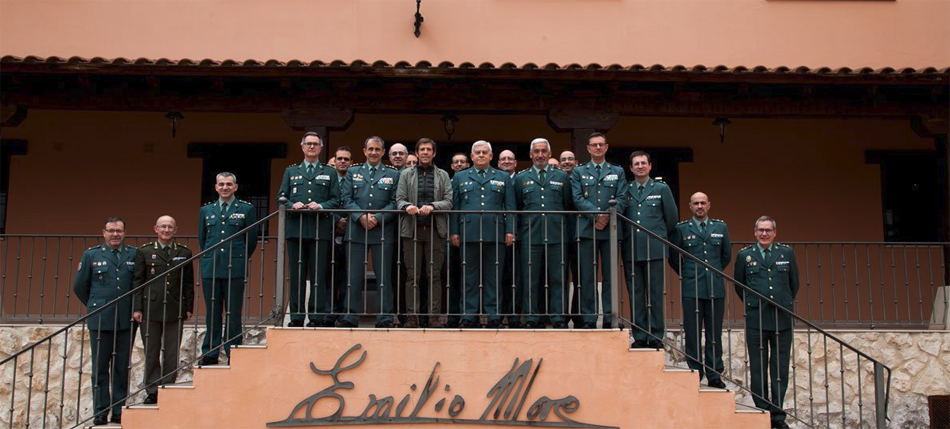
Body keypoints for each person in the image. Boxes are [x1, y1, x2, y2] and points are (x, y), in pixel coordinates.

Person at [734, 216, 799, 429]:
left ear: (775, 232)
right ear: (754, 232)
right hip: (756, 318)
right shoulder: (745, 255)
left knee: (779, 368)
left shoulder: (786, 253)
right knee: (759, 367)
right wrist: (752, 304)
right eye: (761, 230)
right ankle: (762, 408)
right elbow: (739, 284)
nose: (764, 234)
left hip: (781, 317)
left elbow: (793, 284)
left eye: (768, 230)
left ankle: (777, 416)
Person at [73, 217, 136, 425]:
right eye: (111, 231)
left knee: (121, 367)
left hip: (125, 319)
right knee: (100, 368)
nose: (115, 234)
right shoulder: (92, 255)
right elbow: (80, 286)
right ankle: (100, 411)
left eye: (119, 230)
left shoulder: (133, 255)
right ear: (104, 232)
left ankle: (119, 410)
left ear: (124, 232)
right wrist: (95, 306)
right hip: (100, 318)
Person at [278, 133, 341, 328]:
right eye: (308, 144)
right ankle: (296, 317)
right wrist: (291, 203)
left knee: (318, 275)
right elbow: (280, 197)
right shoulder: (291, 171)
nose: (312, 147)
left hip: (319, 229)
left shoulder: (329, 172)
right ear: (302, 147)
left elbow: (336, 200)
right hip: (295, 229)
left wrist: (320, 206)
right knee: (296, 275)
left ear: (321, 148)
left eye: (315, 144)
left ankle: (316, 316)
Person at [450, 140, 515, 328]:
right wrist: (454, 231)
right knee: (469, 278)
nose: (480, 155)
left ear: (491, 156)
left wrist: (510, 230)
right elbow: (456, 206)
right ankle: (469, 315)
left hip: (495, 233)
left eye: (484, 152)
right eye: (477, 152)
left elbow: (509, 206)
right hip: (467, 233)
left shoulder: (502, 177)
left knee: (493, 277)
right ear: (471, 157)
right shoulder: (460, 177)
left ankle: (493, 315)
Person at [669, 192, 730, 388]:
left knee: (714, 333)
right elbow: (674, 256)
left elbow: (725, 256)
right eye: (696, 203)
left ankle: (714, 374)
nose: (700, 206)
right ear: (690, 206)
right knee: (692, 331)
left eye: (703, 203)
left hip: (714, 286)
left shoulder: (720, 227)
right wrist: (687, 273)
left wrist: (713, 272)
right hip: (691, 286)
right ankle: (695, 370)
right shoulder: (681, 229)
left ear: (709, 205)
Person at [132, 215, 194, 405]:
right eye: (163, 227)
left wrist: (188, 307)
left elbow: (188, 283)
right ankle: (152, 390)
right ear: (155, 229)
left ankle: (167, 387)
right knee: (151, 351)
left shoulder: (184, 252)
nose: (166, 230)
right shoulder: (145, 251)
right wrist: (137, 308)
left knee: (171, 351)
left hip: (174, 308)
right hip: (150, 308)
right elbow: (138, 281)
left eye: (170, 227)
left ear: (175, 230)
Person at [338, 136, 400, 328]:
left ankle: (385, 318)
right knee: (354, 277)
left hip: (382, 230)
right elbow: (346, 199)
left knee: (384, 277)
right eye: (370, 149)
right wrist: (360, 216)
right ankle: (350, 317)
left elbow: (395, 201)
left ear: (383, 152)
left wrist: (378, 218)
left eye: (377, 149)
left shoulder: (393, 173)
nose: (374, 152)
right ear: (364, 151)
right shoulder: (353, 171)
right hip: (356, 230)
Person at [198, 172, 258, 365]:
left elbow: (251, 240)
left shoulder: (246, 209)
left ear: (235, 187)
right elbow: (203, 238)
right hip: (211, 267)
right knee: (213, 312)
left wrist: (239, 258)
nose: (225, 187)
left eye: (229, 184)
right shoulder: (206, 210)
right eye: (221, 184)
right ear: (216, 187)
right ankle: (211, 352)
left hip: (235, 267)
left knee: (233, 312)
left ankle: (233, 351)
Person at [570, 133, 627, 329]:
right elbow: (577, 198)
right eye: (593, 145)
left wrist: (606, 218)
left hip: (610, 231)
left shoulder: (617, 171)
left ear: (606, 147)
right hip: (587, 230)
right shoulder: (579, 171)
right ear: (588, 148)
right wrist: (597, 216)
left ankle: (611, 318)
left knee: (611, 276)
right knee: (587, 276)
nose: (597, 148)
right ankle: (589, 318)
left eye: (600, 145)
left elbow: (622, 198)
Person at [514, 138, 571, 329]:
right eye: (536, 151)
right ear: (530, 154)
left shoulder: (562, 177)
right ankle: (531, 317)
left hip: (556, 235)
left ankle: (558, 317)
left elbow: (567, 205)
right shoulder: (521, 178)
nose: (540, 155)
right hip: (531, 235)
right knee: (530, 278)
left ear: (549, 153)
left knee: (558, 278)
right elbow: (517, 208)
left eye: (543, 151)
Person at [397, 138, 453, 328]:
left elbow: (449, 201)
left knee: (434, 275)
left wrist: (433, 206)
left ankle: (433, 316)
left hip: (435, 231)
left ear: (434, 153)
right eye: (422, 149)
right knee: (412, 275)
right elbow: (399, 199)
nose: (426, 152)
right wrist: (408, 206)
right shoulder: (406, 174)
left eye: (429, 149)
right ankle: (412, 316)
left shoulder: (443, 175)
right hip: (411, 230)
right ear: (417, 152)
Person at [623, 150, 677, 346]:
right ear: (631, 168)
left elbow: (671, 219)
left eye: (643, 163)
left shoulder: (661, 188)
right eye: (636, 164)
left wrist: (660, 238)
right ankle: (639, 335)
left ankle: (655, 335)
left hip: (654, 249)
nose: (640, 166)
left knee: (654, 294)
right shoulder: (626, 190)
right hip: (631, 249)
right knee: (636, 294)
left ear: (650, 166)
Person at [497, 149, 522, 326]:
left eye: (510, 159)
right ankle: (497, 314)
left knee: (516, 278)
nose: (506, 161)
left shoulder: (521, 180)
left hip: (518, 234)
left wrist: (512, 229)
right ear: (498, 163)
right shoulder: (495, 177)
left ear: (515, 163)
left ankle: (514, 315)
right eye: (503, 159)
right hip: (497, 234)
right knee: (497, 276)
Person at [559, 150, 582, 327]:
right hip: (559, 234)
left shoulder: (581, 178)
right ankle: (561, 315)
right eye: (563, 160)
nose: (567, 162)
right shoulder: (558, 179)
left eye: (570, 159)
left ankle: (579, 315)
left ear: (576, 161)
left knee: (580, 276)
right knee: (559, 277)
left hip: (580, 234)